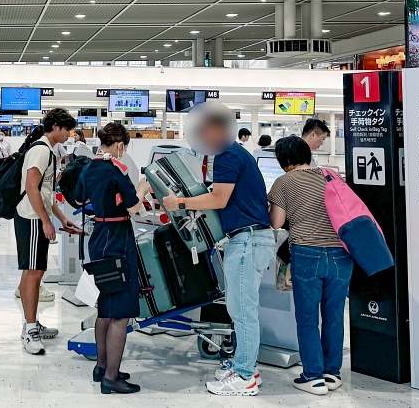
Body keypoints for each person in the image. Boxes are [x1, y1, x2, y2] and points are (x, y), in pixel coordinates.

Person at [162, 107, 274, 396]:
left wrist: (181, 203)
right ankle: (243, 365)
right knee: (242, 310)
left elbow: (219, 198)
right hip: (251, 239)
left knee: (242, 311)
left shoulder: (226, 156)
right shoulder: (237, 154)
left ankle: (245, 376)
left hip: (247, 241)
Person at [267, 136, 352, 396]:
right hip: (341, 254)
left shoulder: (283, 182)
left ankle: (313, 376)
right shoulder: (330, 176)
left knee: (307, 318)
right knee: (334, 317)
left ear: (283, 161)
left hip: (307, 254)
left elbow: (277, 223)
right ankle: (332, 373)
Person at [74, 122, 151, 394]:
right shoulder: (118, 171)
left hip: (99, 238)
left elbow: (80, 198)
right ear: (120, 145)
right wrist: (141, 187)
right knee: (120, 313)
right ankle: (111, 377)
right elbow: (134, 207)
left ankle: (102, 367)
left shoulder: (89, 168)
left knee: (105, 306)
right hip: (118, 240)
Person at [15, 108, 82, 355]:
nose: (68, 134)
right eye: (66, 130)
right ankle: (29, 329)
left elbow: (46, 194)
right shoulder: (41, 151)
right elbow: (32, 189)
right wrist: (45, 221)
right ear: (55, 127)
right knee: (33, 272)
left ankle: (31, 323)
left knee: (36, 270)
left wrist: (62, 218)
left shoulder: (48, 151)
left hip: (36, 217)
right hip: (31, 218)